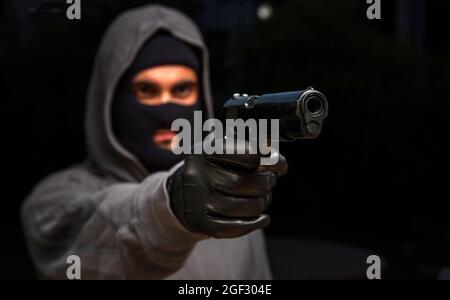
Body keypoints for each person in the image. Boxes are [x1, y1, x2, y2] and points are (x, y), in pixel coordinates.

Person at [21, 4, 286, 279]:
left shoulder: (230, 196)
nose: (167, 111)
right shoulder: (52, 201)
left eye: (182, 89)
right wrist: (173, 204)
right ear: (111, 101)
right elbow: (100, 238)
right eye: (146, 90)